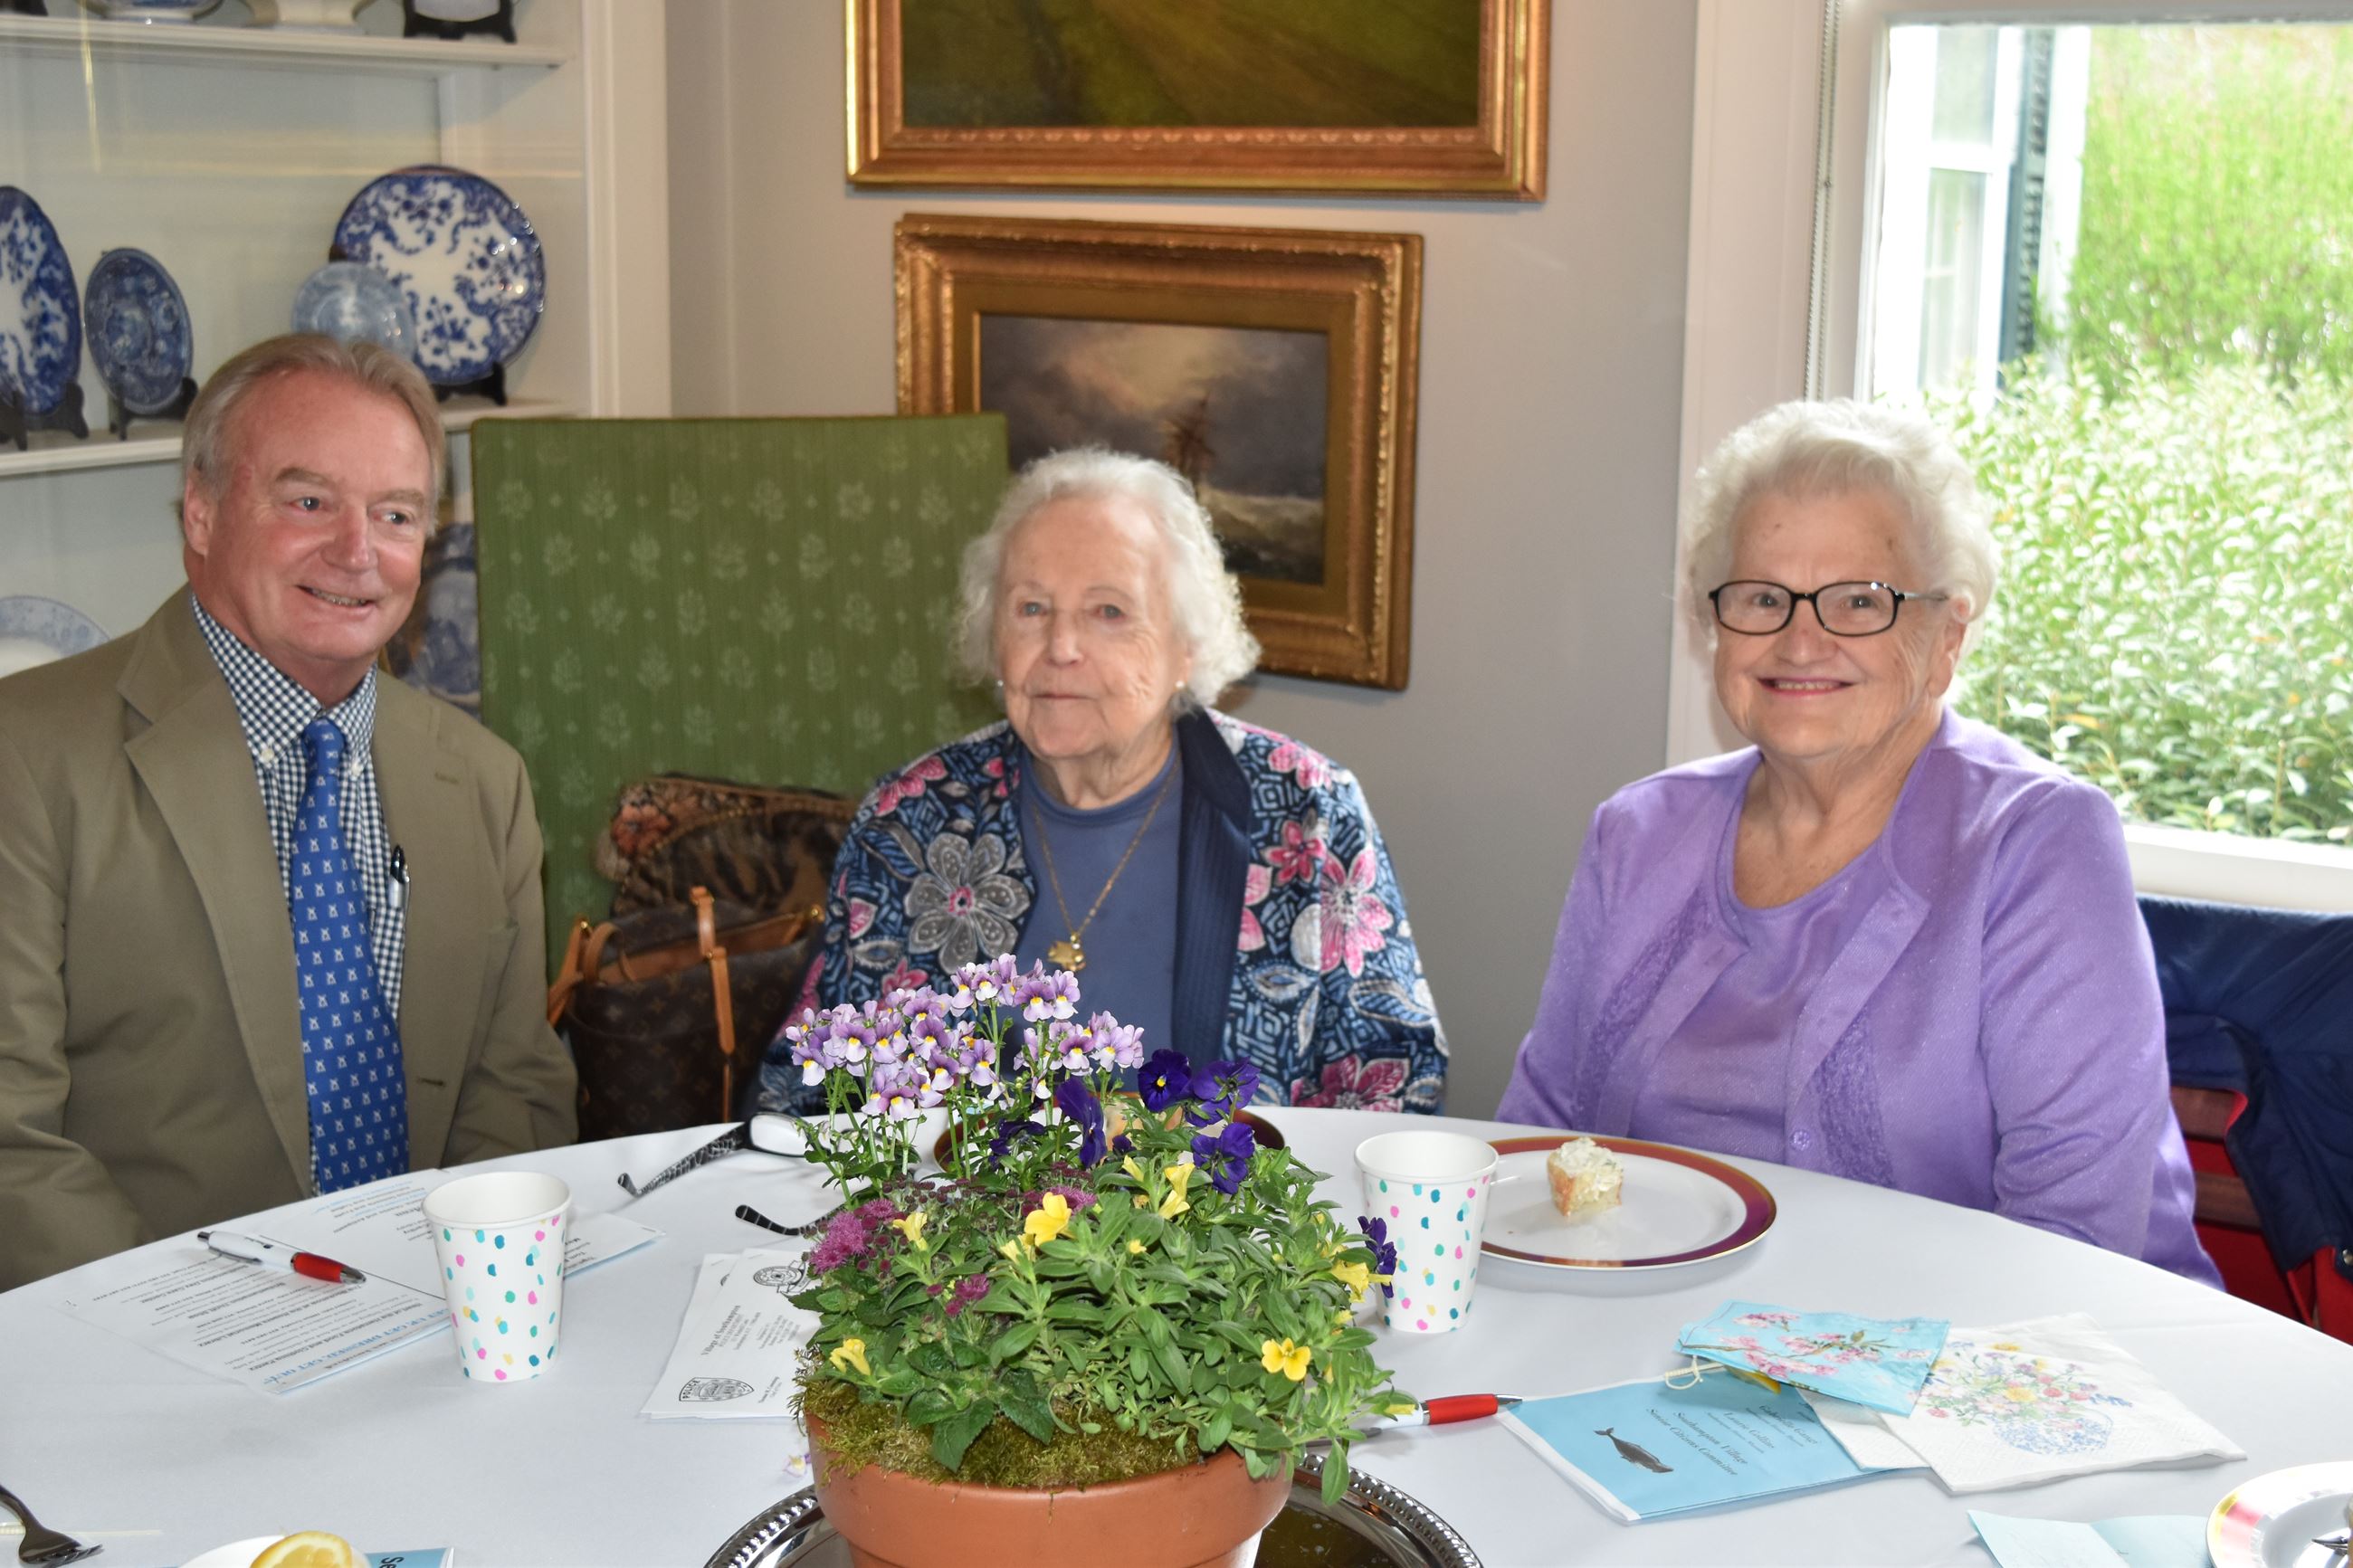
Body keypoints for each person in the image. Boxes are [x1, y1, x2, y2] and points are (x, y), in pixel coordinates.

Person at [1498, 399, 2217, 1284]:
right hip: (1657, 1352)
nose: (1800, 639)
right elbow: (1536, 1145)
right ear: (1713, 625)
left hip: (1982, 1368)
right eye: (1762, 596)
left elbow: (2069, 1240)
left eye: (1856, 601)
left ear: (1945, 635)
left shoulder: (2033, 843)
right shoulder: (1636, 833)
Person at [0, 334, 577, 1290]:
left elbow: (513, 1092)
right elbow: (11, 1135)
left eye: (393, 514)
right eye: (308, 501)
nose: (356, 552)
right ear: (200, 509)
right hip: (141, 1347)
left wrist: (468, 1296)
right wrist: (190, 1339)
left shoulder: (484, 779)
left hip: (428, 1329)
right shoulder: (27, 753)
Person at [757, 448, 1445, 1113]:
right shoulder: (908, 820)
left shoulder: (1306, 813)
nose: (1060, 647)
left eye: (1108, 611)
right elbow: (807, 1091)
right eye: (1031, 609)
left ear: (1187, 646)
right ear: (992, 636)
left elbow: (1393, 1088)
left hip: (1233, 1230)